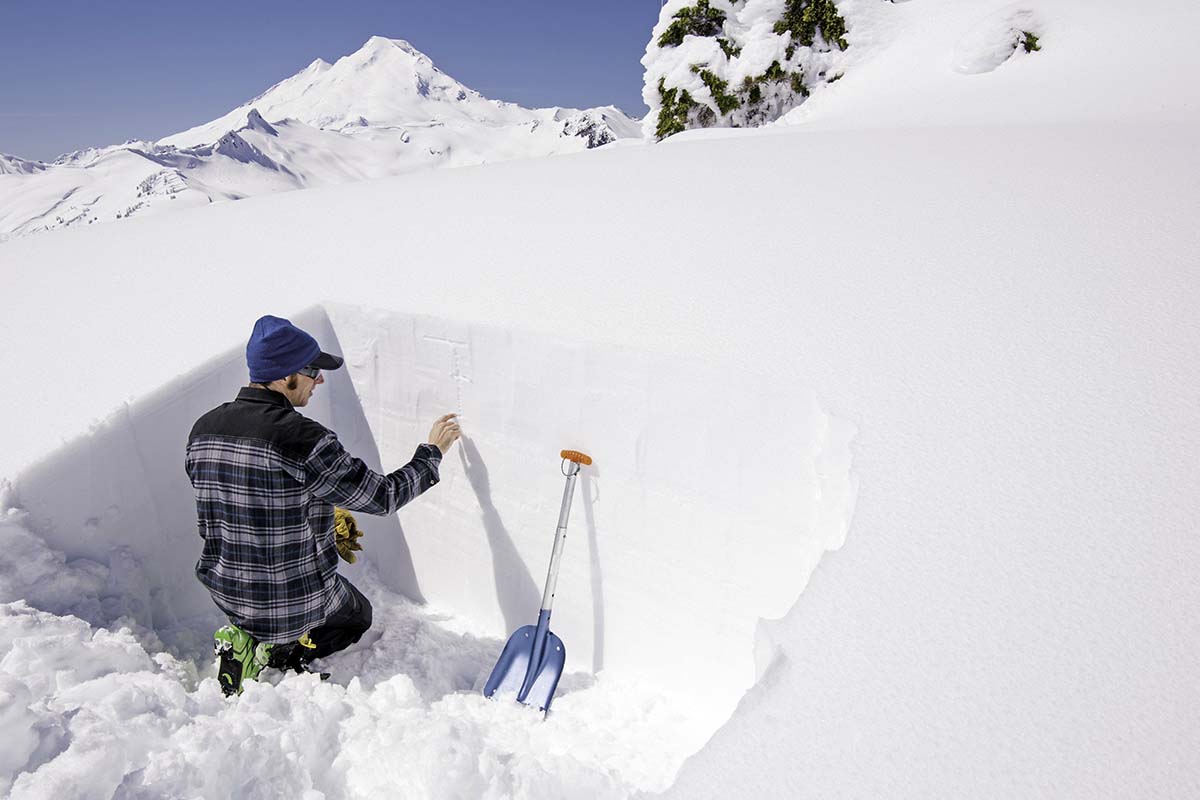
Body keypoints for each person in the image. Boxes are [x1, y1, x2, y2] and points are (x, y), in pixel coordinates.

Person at [185, 314, 460, 695]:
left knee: (285, 595)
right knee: (356, 616)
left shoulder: (204, 429)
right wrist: (431, 454)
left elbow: (246, 501)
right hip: (288, 600)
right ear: (284, 377)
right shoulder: (301, 438)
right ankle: (273, 650)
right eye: (312, 370)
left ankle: (246, 634)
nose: (320, 379)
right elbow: (382, 497)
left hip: (227, 590)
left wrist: (323, 510)